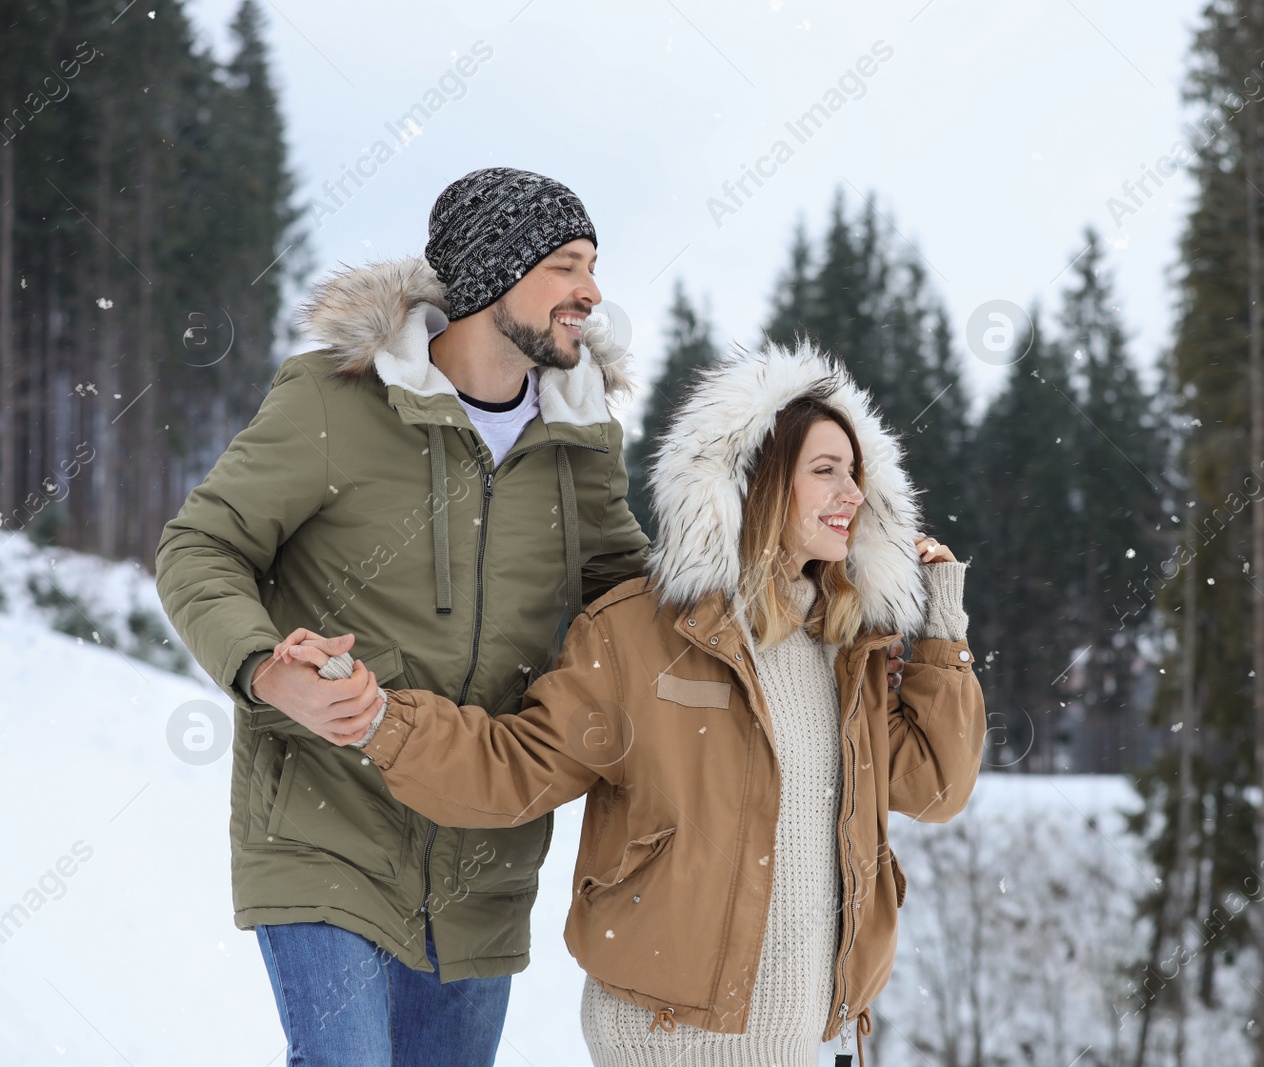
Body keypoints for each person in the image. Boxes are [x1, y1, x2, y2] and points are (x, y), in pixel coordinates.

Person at [273, 342, 985, 1066]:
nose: (852, 494)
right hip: (671, 1041)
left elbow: (935, 785)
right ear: (756, 481)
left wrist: (941, 627)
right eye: (826, 471)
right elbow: (517, 765)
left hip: (816, 1043)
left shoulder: (849, 648)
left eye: (857, 474)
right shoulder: (642, 632)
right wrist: (380, 720)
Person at [155, 167, 653, 1066]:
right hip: (324, 823)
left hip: (482, 854)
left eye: (592, 266)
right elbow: (201, 546)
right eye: (566, 266)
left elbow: (636, 610)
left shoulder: (583, 448)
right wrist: (266, 668)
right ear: (493, 273)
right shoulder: (334, 401)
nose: (591, 292)